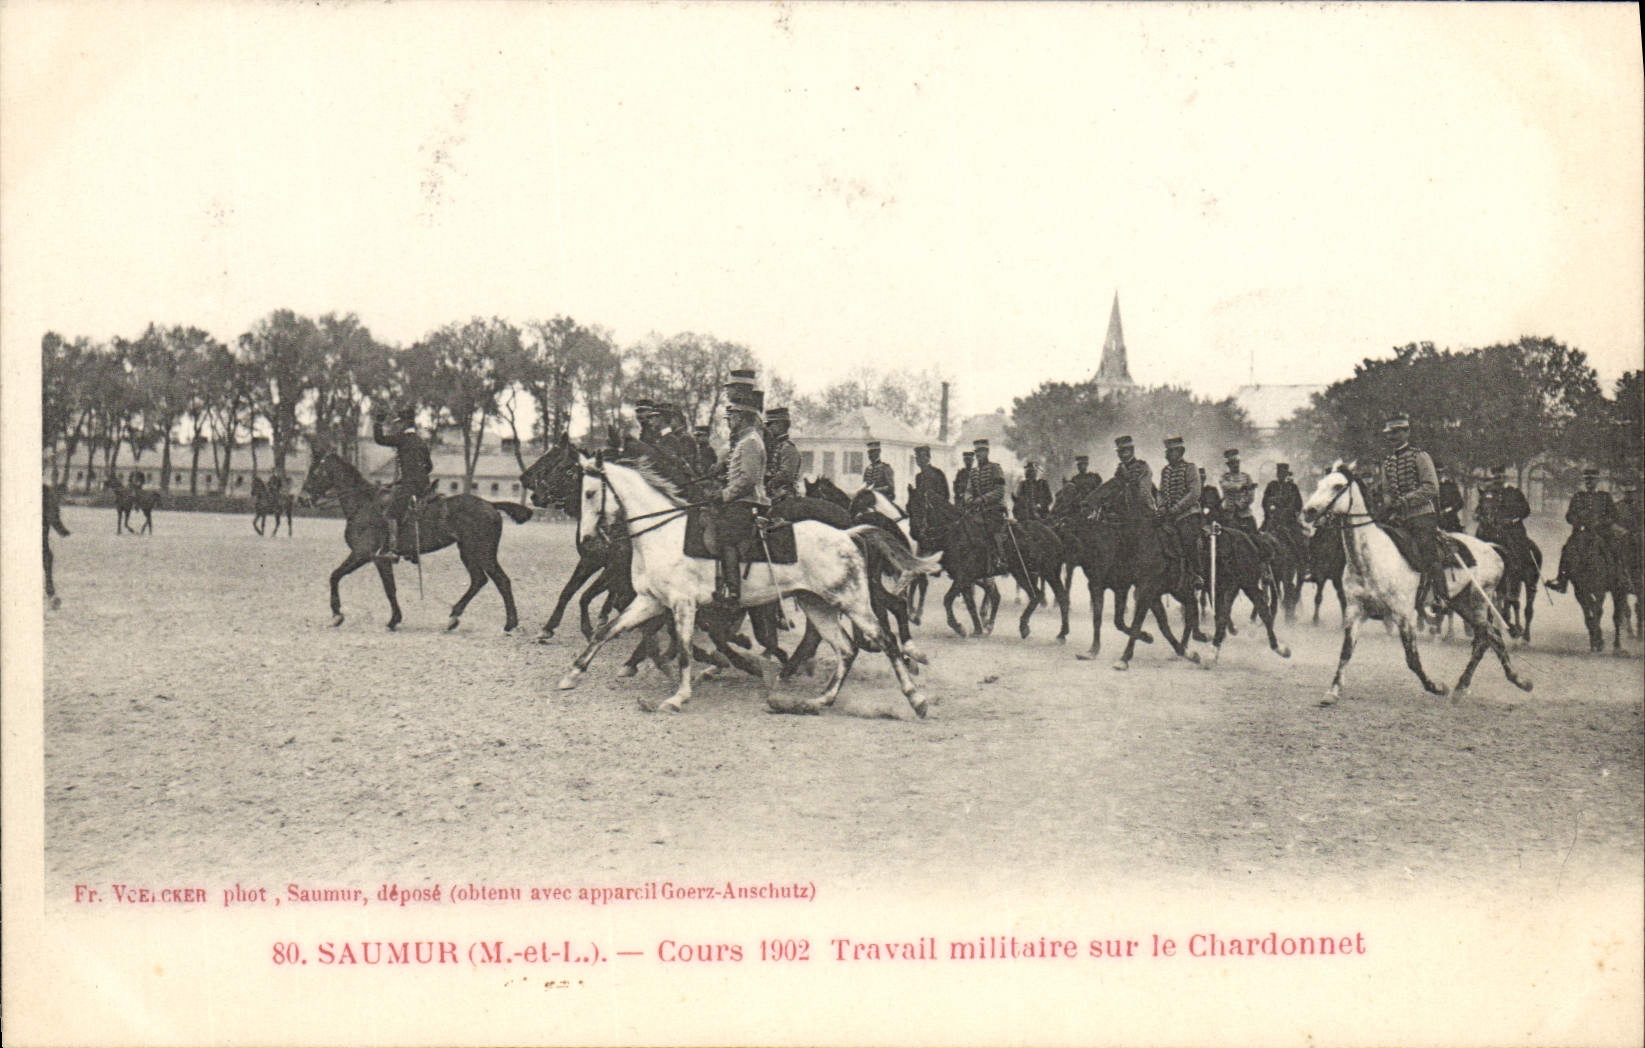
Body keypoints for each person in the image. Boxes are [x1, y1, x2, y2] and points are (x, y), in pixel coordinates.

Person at [1375, 412, 1450, 607]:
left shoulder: (1420, 456)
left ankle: (1441, 596)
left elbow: (1431, 488)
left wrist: (1406, 501)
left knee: (1427, 551)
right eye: (1389, 434)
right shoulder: (1388, 462)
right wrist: (1388, 505)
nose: (1392, 437)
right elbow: (1386, 491)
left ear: (1407, 433)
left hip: (1422, 514)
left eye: (1396, 433)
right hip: (1399, 517)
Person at [715, 380, 769, 607]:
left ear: (742, 418)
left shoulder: (750, 442)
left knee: (726, 538)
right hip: (740, 500)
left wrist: (724, 495)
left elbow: (748, 479)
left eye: (733, 418)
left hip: (746, 502)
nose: (730, 422)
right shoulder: (745, 441)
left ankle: (733, 591)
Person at [373, 403, 433, 562]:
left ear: (405, 424)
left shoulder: (403, 439)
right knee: (410, 514)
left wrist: (378, 423)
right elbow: (429, 466)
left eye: (398, 423)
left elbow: (379, 439)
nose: (397, 426)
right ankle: (411, 550)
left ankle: (392, 550)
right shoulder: (421, 441)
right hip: (423, 485)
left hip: (410, 485)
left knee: (391, 514)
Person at [1547, 468, 1615, 594]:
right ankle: (1561, 581)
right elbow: (1569, 515)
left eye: (1592, 479)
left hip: (1601, 533)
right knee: (1567, 549)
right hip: (1581, 533)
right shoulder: (1578, 497)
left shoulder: (1605, 497)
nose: (1589, 482)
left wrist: (1600, 523)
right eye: (1587, 479)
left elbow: (1612, 516)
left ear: (1597, 481)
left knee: (1612, 549)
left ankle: (1617, 580)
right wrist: (1578, 523)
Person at [1157, 437, 1202, 588]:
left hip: (1188, 514)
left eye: (1171, 451)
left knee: (1188, 538)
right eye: (1167, 452)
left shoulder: (1190, 468)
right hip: (1169, 515)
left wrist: (1176, 508)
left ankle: (1196, 573)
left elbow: (1194, 492)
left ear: (1180, 452)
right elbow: (1161, 492)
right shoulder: (1165, 471)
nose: (1168, 455)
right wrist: (1161, 506)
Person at [965, 438, 1009, 566]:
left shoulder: (995, 468)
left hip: (994, 509)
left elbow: (1000, 490)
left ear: (987, 452)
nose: (978, 454)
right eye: (977, 452)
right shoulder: (973, 472)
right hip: (977, 510)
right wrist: (969, 500)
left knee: (992, 529)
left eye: (981, 451)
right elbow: (968, 490)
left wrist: (983, 499)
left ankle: (1000, 558)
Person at [1260, 462, 1305, 551]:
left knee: (1299, 542)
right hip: (1272, 518)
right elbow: (1264, 502)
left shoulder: (1292, 487)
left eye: (1283, 473)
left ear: (1286, 474)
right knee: (1261, 538)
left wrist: (1290, 512)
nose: (1281, 475)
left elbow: (1298, 504)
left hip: (1288, 520)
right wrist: (1269, 511)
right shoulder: (1271, 485)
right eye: (1279, 473)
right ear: (1277, 474)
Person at [763, 406, 801, 505]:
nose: (767, 428)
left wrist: (767, 484)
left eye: (769, 424)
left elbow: (786, 475)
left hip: (784, 498)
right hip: (771, 495)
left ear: (780, 425)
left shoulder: (788, 448)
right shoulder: (773, 446)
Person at [1111, 435, 1156, 520]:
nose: (1121, 455)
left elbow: (1142, 492)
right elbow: (1114, 486)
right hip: (1126, 512)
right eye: (1119, 452)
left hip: (1142, 511)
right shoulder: (1120, 469)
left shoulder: (1141, 466)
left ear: (1132, 450)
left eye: (1124, 451)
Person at [1218, 449, 1258, 533]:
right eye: (1232, 463)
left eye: (1237, 462)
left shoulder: (1246, 477)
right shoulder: (1225, 478)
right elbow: (1225, 486)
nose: (1235, 465)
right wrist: (1241, 487)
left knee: (1254, 537)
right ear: (1228, 465)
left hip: (1244, 515)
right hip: (1229, 515)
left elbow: (1250, 496)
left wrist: (1240, 504)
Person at [1435, 461, 1465, 533]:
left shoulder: (1450, 486)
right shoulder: (1429, 487)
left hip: (1450, 521)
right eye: (1437, 472)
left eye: (1440, 472)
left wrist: (1447, 510)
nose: (1439, 475)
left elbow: (1460, 503)